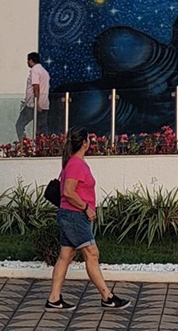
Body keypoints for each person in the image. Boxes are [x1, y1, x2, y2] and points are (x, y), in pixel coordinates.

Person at [45, 127, 131, 310]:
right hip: (75, 216)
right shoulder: (76, 164)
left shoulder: (74, 163)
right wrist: (86, 208)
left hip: (71, 215)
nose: (90, 142)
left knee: (65, 256)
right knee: (92, 254)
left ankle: (53, 299)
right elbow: (68, 192)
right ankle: (107, 297)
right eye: (89, 139)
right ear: (84, 143)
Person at [15, 52, 51, 141]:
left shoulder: (35, 70)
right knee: (41, 129)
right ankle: (42, 148)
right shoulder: (44, 71)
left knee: (20, 124)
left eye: (28, 60)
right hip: (44, 104)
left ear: (31, 61)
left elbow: (36, 87)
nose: (27, 62)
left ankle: (23, 145)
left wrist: (36, 102)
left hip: (33, 105)